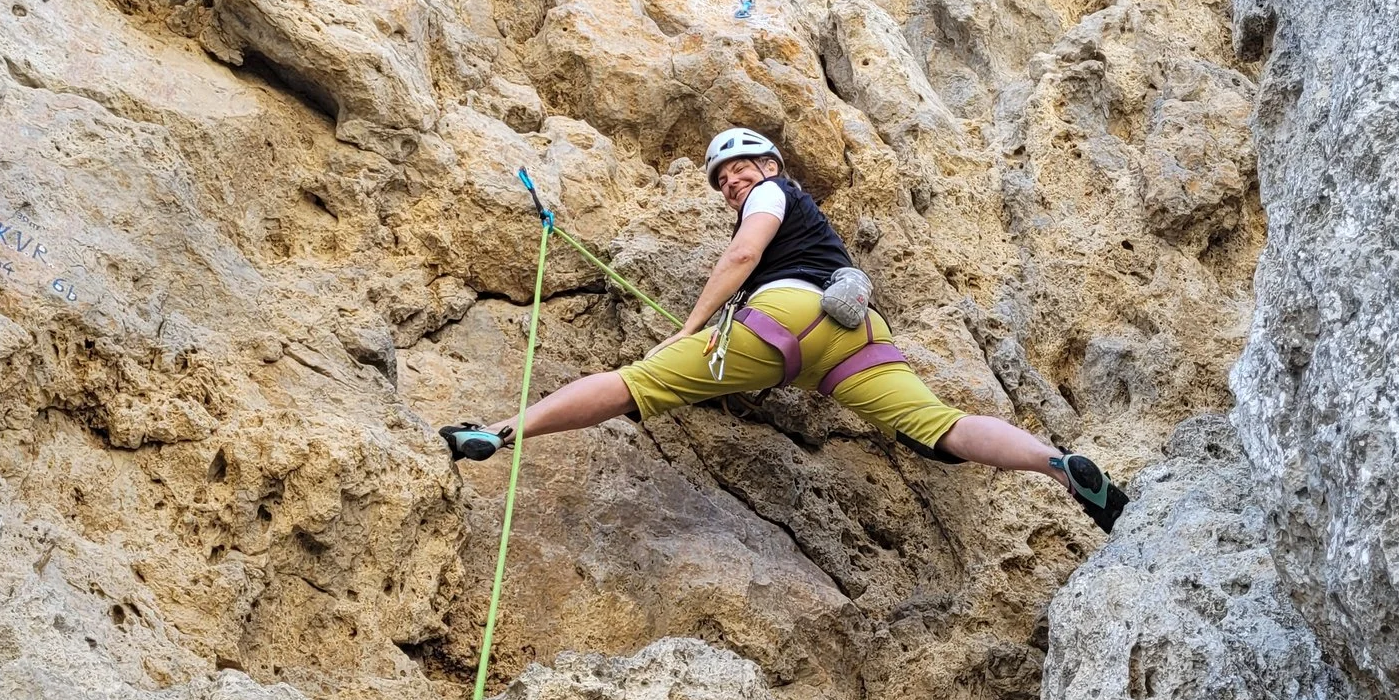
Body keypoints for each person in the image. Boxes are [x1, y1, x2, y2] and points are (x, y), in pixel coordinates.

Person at [439, 128, 1127, 532]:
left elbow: (743, 255)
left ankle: (499, 432)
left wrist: (691, 327)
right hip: (854, 334)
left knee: (630, 386)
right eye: (723, 180)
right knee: (940, 426)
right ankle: (1058, 466)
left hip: (784, 318)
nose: (733, 182)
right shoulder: (805, 216)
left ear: (770, 166)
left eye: (741, 169)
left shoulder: (775, 194)